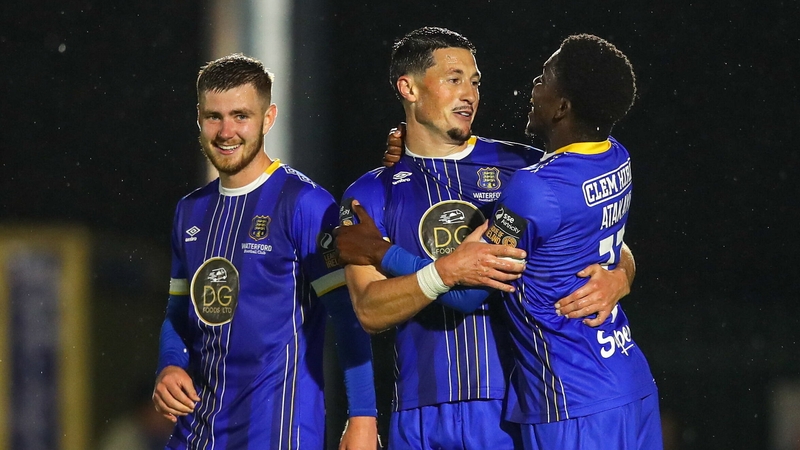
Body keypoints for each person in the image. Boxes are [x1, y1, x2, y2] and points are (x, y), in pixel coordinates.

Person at [335, 27, 634, 449]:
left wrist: (621, 275)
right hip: (419, 415)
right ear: (409, 88)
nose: (469, 93)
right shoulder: (369, 194)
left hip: (514, 408)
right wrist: (363, 414)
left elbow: (606, 235)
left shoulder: (526, 168)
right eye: (453, 78)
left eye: (474, 82)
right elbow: (367, 310)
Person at [151, 53, 378, 450]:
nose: (226, 131)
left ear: (268, 118)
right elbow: (178, 311)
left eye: (241, 116)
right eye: (213, 116)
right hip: (197, 430)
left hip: (278, 428)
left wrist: (363, 417)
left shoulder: (305, 203)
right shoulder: (190, 210)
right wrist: (170, 364)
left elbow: (348, 316)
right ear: (199, 119)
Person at [482, 34, 662, 449]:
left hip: (571, 401)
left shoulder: (533, 189)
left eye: (544, 78)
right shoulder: (616, 156)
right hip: (629, 385)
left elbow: (467, 293)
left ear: (562, 106)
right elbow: (606, 239)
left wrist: (382, 252)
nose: (533, 84)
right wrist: (623, 274)